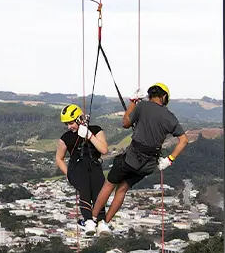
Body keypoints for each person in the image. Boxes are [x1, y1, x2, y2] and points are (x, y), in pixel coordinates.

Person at [90, 83, 188, 229]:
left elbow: (126, 122)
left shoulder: (143, 107)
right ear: (164, 97)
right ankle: (105, 223)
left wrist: (132, 102)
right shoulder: (170, 117)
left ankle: (92, 219)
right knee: (122, 189)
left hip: (131, 158)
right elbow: (184, 140)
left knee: (109, 184)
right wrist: (169, 160)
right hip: (148, 165)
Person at [55, 103, 109, 233]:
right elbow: (59, 158)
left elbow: (104, 149)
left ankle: (100, 221)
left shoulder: (96, 130)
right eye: (66, 124)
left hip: (93, 165)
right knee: (85, 189)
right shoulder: (66, 138)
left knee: (98, 190)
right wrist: (68, 174)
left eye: (71, 123)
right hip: (77, 167)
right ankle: (88, 220)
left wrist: (89, 135)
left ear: (79, 119)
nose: (69, 127)